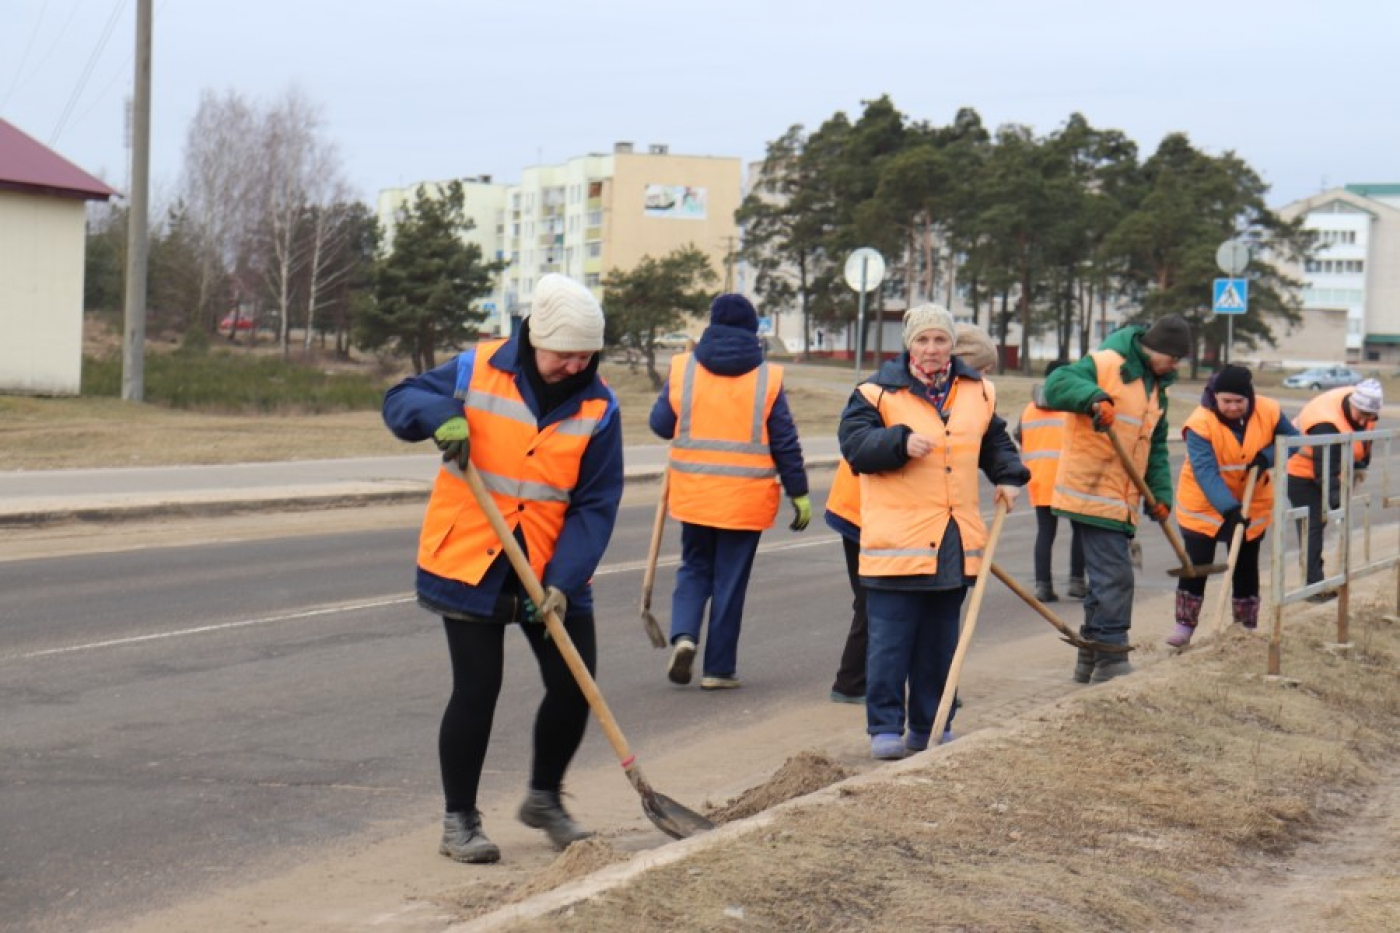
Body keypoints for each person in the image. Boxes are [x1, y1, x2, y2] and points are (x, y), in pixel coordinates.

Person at [381, 273, 623, 864]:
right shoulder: (477, 368)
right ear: (535, 338)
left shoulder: (600, 406)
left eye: (585, 356)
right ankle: (458, 819)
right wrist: (441, 414)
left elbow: (595, 504)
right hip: (471, 556)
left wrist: (565, 580)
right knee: (477, 688)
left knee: (574, 684)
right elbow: (399, 399)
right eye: (564, 355)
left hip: (550, 567)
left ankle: (544, 798)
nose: (575, 366)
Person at [839, 304, 1029, 760]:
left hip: (952, 537)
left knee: (941, 641)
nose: (930, 349)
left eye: (939, 340)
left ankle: (932, 724)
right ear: (908, 344)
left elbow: (993, 440)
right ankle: (885, 727)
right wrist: (898, 442)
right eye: (922, 340)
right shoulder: (875, 393)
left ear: (951, 345)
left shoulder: (978, 391)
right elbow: (855, 447)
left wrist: (1008, 475)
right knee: (890, 642)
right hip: (896, 542)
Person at [825, 322, 1001, 706]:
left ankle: (864, 685)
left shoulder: (963, 398)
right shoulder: (899, 395)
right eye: (982, 369)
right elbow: (864, 446)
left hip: (918, 518)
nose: (983, 378)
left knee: (889, 606)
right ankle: (856, 684)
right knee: (879, 601)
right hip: (866, 510)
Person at [650, 294, 810, 690]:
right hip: (745, 501)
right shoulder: (766, 377)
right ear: (753, 330)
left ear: (712, 324)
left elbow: (659, 424)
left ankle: (685, 636)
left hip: (694, 493)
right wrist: (799, 493)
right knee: (729, 582)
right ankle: (718, 670)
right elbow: (784, 442)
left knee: (693, 569)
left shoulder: (683, 368)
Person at [1043, 314, 1190, 683]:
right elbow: (1057, 384)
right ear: (1154, 349)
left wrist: (1159, 495)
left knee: (1105, 579)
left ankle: (1090, 657)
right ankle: (1111, 656)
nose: (1176, 366)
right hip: (1091, 490)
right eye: (1173, 358)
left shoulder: (1157, 389)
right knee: (1116, 576)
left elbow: (1155, 446)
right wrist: (1092, 397)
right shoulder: (1107, 362)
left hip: (1122, 497)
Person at [1168, 365, 1298, 646]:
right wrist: (1228, 509)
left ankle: (1244, 628)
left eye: (1239, 401)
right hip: (1204, 505)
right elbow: (1205, 471)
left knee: (1245, 565)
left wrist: (1267, 456)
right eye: (1226, 401)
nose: (1233, 407)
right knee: (1197, 564)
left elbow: (1294, 440)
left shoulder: (1269, 411)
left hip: (1252, 501)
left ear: (1249, 397)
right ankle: (1184, 626)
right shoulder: (1200, 423)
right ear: (1215, 397)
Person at [1285, 378, 1383, 602]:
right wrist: (1338, 503)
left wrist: (1360, 465)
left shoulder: (1367, 409)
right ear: (1352, 404)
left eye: (1369, 416)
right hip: (1301, 471)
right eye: (1360, 413)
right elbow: (1325, 471)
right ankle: (1313, 586)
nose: (1363, 420)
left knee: (1319, 522)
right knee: (1313, 524)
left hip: (1332, 467)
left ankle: (1320, 579)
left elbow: (1364, 442)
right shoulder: (1325, 421)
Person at [1015, 361, 1085, 603]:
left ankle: (1043, 586)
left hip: (1040, 478)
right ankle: (1077, 582)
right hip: (1070, 477)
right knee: (1080, 530)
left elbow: (1018, 437)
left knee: (1045, 533)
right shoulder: (1071, 407)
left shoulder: (1028, 409)